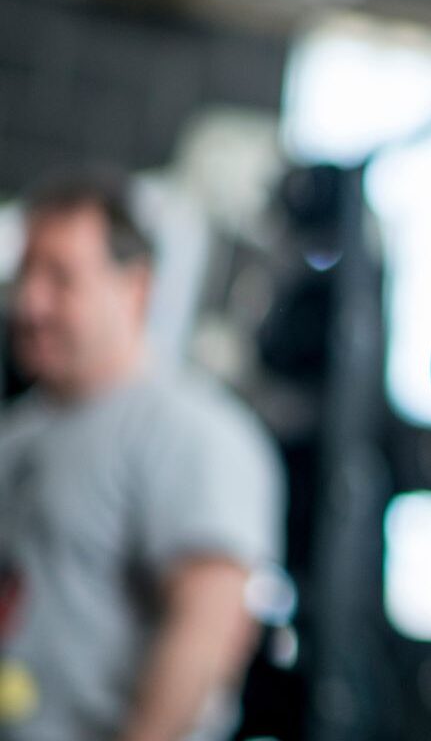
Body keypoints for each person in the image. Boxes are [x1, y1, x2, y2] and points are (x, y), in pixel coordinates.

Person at [0, 171, 285, 741]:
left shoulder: (192, 432)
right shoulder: (20, 432)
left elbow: (208, 628)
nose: (30, 303)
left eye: (60, 278)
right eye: (25, 274)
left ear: (136, 289)